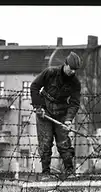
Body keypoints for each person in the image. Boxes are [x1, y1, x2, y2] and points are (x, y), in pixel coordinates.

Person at [30, 51, 82, 180]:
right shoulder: (50, 73)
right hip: (45, 112)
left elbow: (75, 103)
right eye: (71, 68)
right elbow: (34, 86)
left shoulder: (75, 82)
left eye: (75, 70)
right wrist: (38, 107)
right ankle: (45, 173)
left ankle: (69, 171)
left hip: (62, 114)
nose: (73, 72)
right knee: (45, 143)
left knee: (64, 144)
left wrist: (69, 119)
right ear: (65, 64)